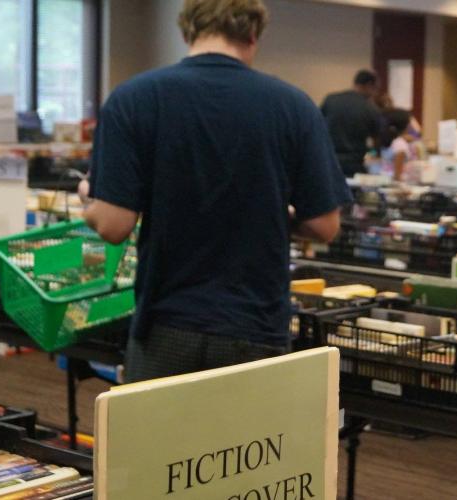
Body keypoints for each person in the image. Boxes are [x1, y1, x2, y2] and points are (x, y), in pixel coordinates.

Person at [80, 0, 352, 382]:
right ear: (253, 35)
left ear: (186, 31)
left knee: (160, 441)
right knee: (247, 443)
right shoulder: (294, 106)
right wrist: (268, 212)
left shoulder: (134, 98)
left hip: (167, 323)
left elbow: (112, 224)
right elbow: (325, 226)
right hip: (256, 326)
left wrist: (87, 200)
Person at [321, 70, 382, 177]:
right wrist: (375, 153)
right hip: (354, 164)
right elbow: (377, 137)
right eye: (375, 89)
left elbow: (318, 126)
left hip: (328, 160)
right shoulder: (370, 108)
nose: (375, 93)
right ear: (369, 85)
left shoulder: (330, 99)